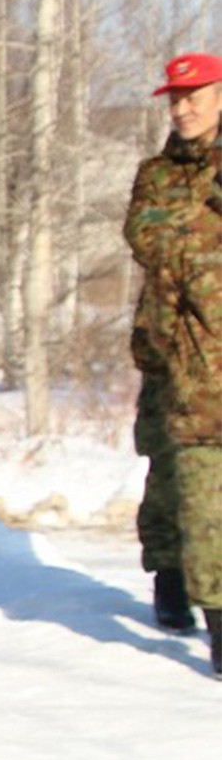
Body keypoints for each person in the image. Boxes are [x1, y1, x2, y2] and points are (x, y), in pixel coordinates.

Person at [123, 52, 222, 633]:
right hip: (168, 345)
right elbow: (146, 237)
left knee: (207, 479)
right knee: (168, 467)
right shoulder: (156, 174)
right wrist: (205, 218)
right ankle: (169, 571)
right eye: (176, 99)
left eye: (194, 97)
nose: (183, 109)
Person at [147, 166, 222, 673]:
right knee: (206, 517)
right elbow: (161, 319)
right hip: (205, 401)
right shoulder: (189, 229)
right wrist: (193, 368)